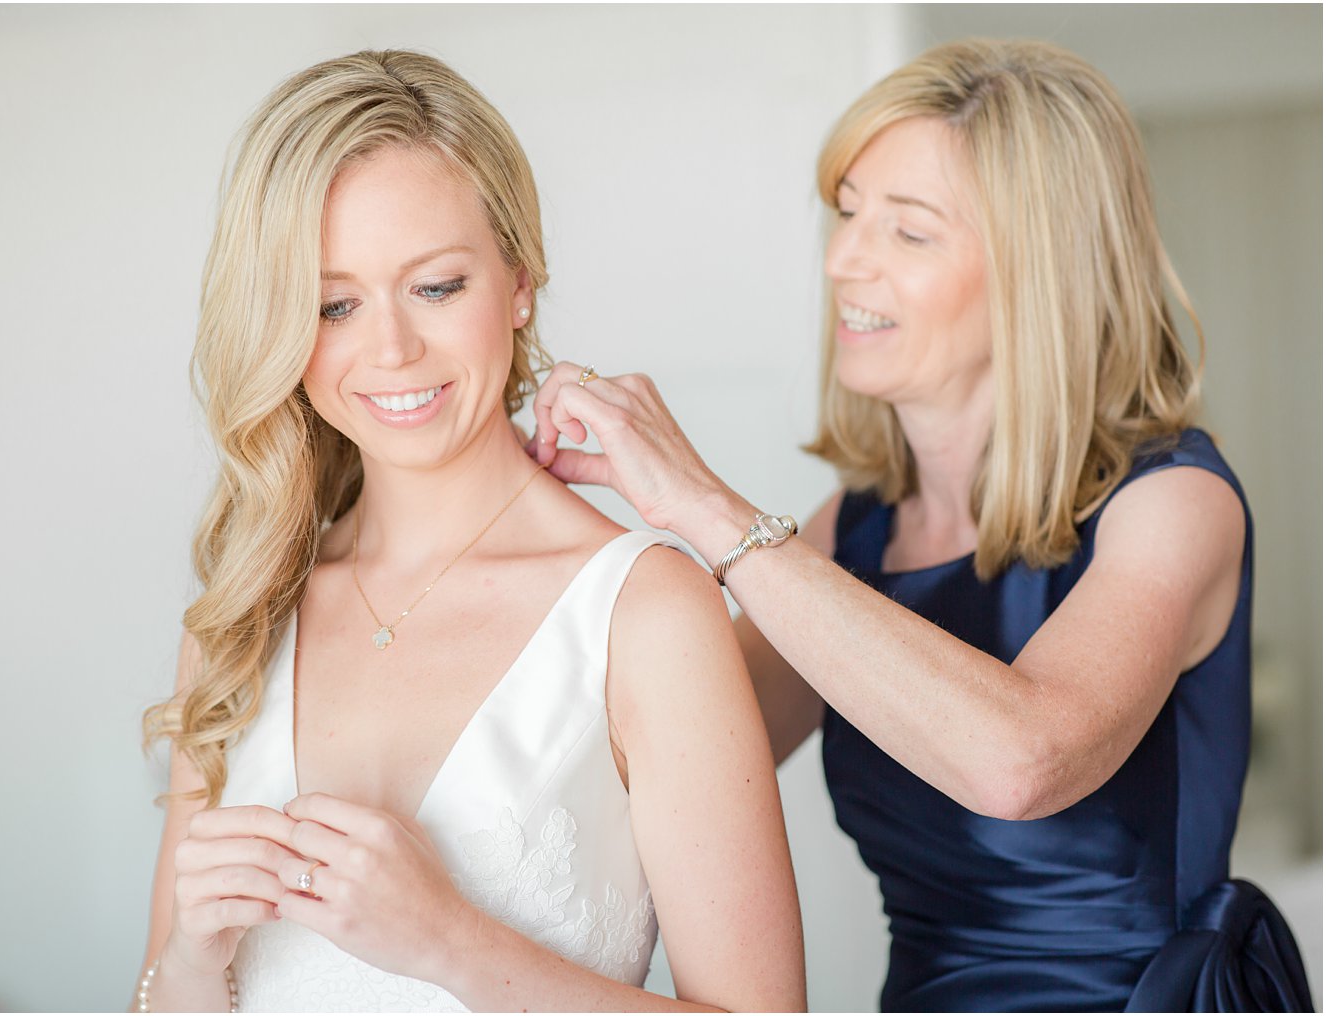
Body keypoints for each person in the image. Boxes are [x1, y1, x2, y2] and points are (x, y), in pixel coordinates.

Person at [529, 39, 1313, 1012]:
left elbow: (1020, 759)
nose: (842, 259)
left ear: (1038, 270)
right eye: (848, 212)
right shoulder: (849, 534)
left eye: (906, 232)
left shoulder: (1172, 502)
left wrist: (703, 505)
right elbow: (659, 747)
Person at [133, 50, 804, 1013]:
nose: (392, 350)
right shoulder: (240, 618)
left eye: (436, 287)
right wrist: (193, 962)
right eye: (334, 304)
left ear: (520, 281)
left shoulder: (645, 613)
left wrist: (447, 943)